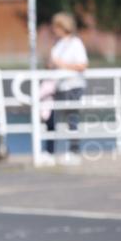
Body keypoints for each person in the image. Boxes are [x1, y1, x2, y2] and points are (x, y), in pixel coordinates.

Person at [40, 12, 88, 166]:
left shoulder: (75, 43)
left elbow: (82, 65)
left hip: (73, 86)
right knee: (51, 118)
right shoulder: (58, 44)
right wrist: (50, 65)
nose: (54, 29)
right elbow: (53, 63)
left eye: (56, 26)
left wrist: (60, 64)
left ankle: (74, 152)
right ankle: (50, 151)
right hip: (57, 86)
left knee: (72, 120)